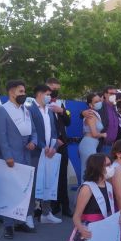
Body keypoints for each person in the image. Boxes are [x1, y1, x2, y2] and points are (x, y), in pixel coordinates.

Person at [0, 80, 38, 238]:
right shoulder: (1, 110)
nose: (23, 94)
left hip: (26, 155)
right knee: (10, 190)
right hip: (11, 157)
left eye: (24, 91)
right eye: (20, 91)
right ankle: (8, 225)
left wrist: (34, 141)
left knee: (26, 188)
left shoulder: (26, 110)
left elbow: (33, 130)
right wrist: (8, 156)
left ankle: (23, 220)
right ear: (11, 93)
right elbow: (1, 136)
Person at [63, 154, 116, 241]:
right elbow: (76, 217)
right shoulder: (87, 188)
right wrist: (82, 230)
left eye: (111, 164)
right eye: (107, 165)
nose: (111, 168)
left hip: (103, 230)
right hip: (89, 231)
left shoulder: (109, 186)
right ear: (98, 167)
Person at [28, 84, 61, 224]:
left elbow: (54, 131)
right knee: (34, 184)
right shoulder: (30, 110)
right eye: (47, 94)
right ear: (39, 94)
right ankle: (28, 215)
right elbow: (31, 131)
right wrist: (42, 146)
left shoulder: (50, 111)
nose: (49, 97)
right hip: (36, 153)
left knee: (48, 182)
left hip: (49, 153)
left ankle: (46, 213)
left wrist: (53, 147)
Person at [46, 77, 73, 217]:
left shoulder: (61, 104)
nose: (55, 92)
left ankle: (65, 206)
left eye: (57, 89)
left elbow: (68, 122)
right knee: (51, 176)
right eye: (52, 89)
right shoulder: (40, 103)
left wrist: (61, 111)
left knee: (63, 176)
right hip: (49, 145)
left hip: (63, 145)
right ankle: (52, 206)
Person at [79, 93, 106, 176]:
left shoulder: (95, 114)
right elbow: (94, 133)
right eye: (96, 101)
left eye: (99, 100)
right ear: (90, 104)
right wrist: (103, 135)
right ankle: (85, 188)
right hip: (88, 144)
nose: (99, 102)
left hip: (92, 144)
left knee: (92, 170)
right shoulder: (90, 114)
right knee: (89, 170)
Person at [98, 86, 119, 154]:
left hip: (113, 145)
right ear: (105, 94)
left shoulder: (114, 107)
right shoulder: (100, 106)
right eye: (111, 93)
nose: (113, 95)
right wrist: (82, 113)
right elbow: (89, 110)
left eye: (115, 94)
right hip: (103, 145)